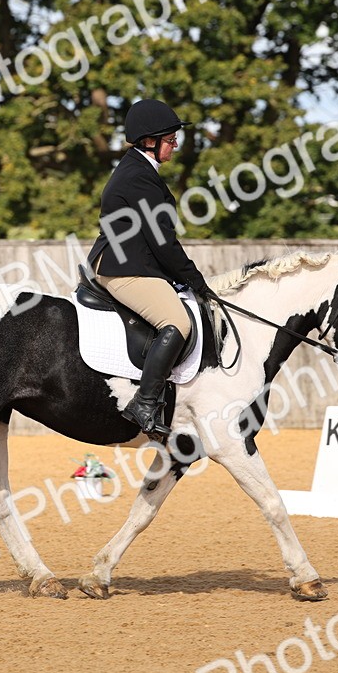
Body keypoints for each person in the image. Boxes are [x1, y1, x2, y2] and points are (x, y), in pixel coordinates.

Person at [87, 98, 215, 438]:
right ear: (149, 141)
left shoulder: (139, 171)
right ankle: (144, 402)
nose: (175, 145)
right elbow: (162, 241)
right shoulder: (139, 178)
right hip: (124, 266)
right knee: (176, 320)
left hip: (131, 262)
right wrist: (195, 279)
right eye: (170, 140)